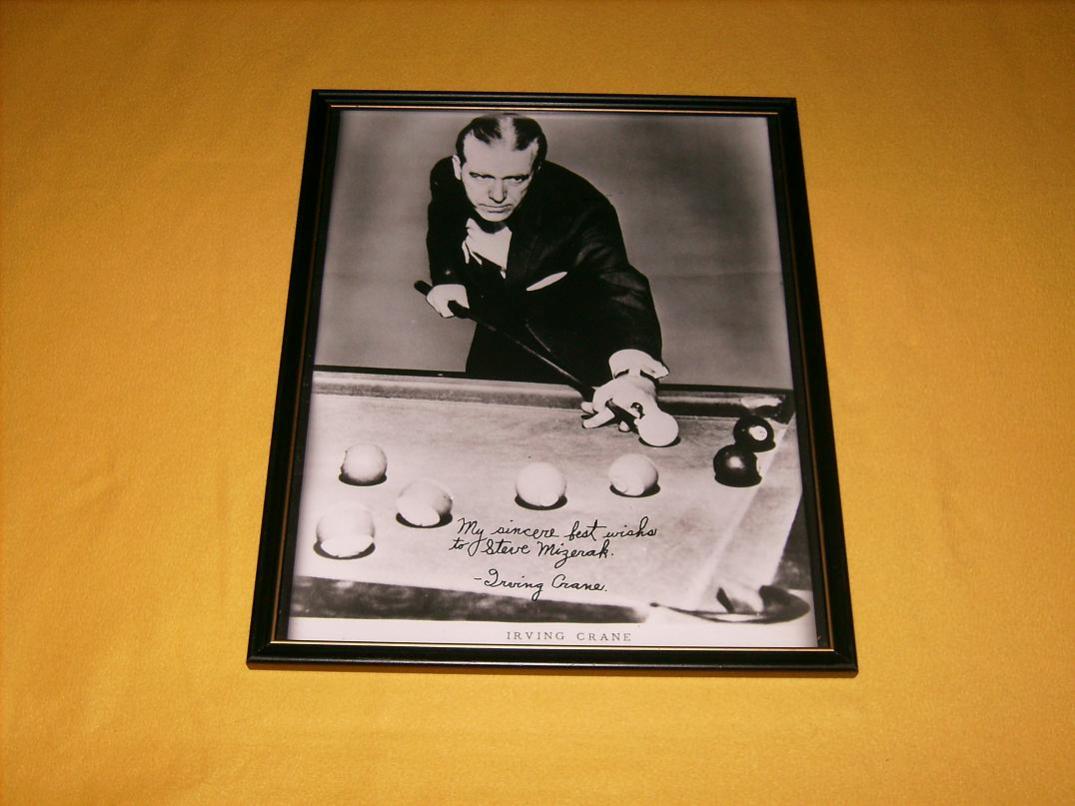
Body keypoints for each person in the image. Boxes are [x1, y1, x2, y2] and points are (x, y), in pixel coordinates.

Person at [423, 113, 669, 430]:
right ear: (458, 167)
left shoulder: (581, 210)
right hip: (497, 339)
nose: (497, 195)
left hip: (574, 359)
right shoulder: (446, 178)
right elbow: (443, 221)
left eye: (516, 179)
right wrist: (448, 278)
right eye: (482, 177)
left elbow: (619, 283)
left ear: (536, 171)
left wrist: (637, 376)